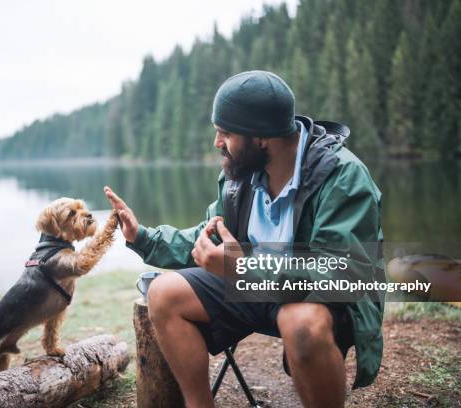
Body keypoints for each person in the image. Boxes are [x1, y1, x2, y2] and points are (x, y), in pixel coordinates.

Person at [104, 70, 384, 408]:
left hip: (320, 300)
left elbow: (340, 272)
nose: (217, 142)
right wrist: (144, 238)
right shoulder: (240, 174)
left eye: (225, 133)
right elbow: (206, 235)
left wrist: (246, 270)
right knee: (164, 293)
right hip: (252, 286)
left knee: (300, 323)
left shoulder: (342, 176)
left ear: (261, 137)